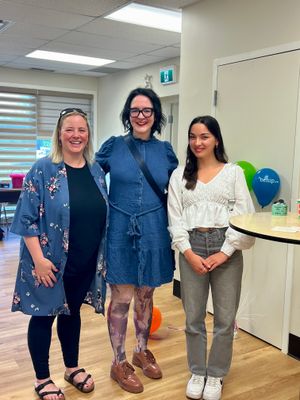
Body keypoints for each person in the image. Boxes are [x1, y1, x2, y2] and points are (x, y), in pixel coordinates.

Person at [10, 108, 108, 400]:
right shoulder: (42, 169)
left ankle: (72, 367)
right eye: (69, 129)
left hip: (84, 261)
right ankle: (42, 378)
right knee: (42, 317)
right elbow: (25, 219)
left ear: (88, 135)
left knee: (71, 313)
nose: (76, 135)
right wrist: (39, 261)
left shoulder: (95, 171)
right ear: (59, 134)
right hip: (49, 263)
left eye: (81, 130)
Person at [96, 87, 178, 393]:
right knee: (122, 299)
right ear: (127, 115)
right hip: (120, 231)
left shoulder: (166, 151)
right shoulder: (113, 147)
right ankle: (118, 362)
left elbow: (181, 189)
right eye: (135, 111)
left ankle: (140, 350)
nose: (140, 116)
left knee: (146, 296)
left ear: (155, 115)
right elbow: (90, 175)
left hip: (155, 232)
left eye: (147, 111)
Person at [168, 115, 255, 400]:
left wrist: (225, 252)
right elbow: (175, 219)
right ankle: (197, 370)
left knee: (224, 318)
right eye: (193, 137)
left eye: (204, 136)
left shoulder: (233, 173)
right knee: (193, 317)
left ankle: (215, 375)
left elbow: (245, 217)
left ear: (216, 139)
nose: (197, 142)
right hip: (191, 247)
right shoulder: (180, 175)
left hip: (225, 245)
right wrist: (188, 253)